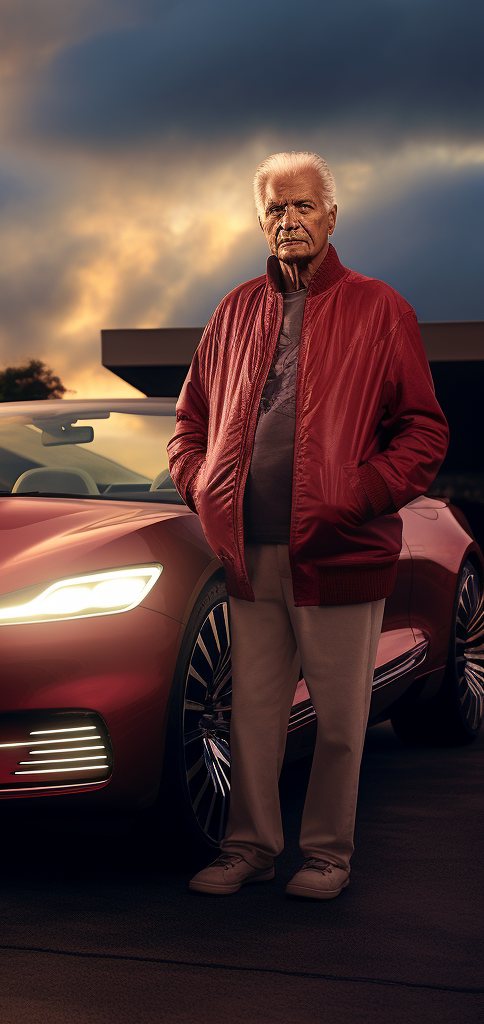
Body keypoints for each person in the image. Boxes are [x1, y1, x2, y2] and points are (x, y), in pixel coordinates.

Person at [167, 151, 449, 899]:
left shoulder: (380, 307)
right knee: (252, 715)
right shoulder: (232, 310)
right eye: (273, 210)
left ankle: (326, 857)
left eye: (301, 207)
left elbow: (423, 430)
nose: (287, 221)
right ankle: (250, 846)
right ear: (260, 221)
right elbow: (188, 422)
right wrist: (202, 487)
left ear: (331, 214)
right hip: (248, 553)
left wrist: (354, 496)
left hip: (340, 552)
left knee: (339, 721)